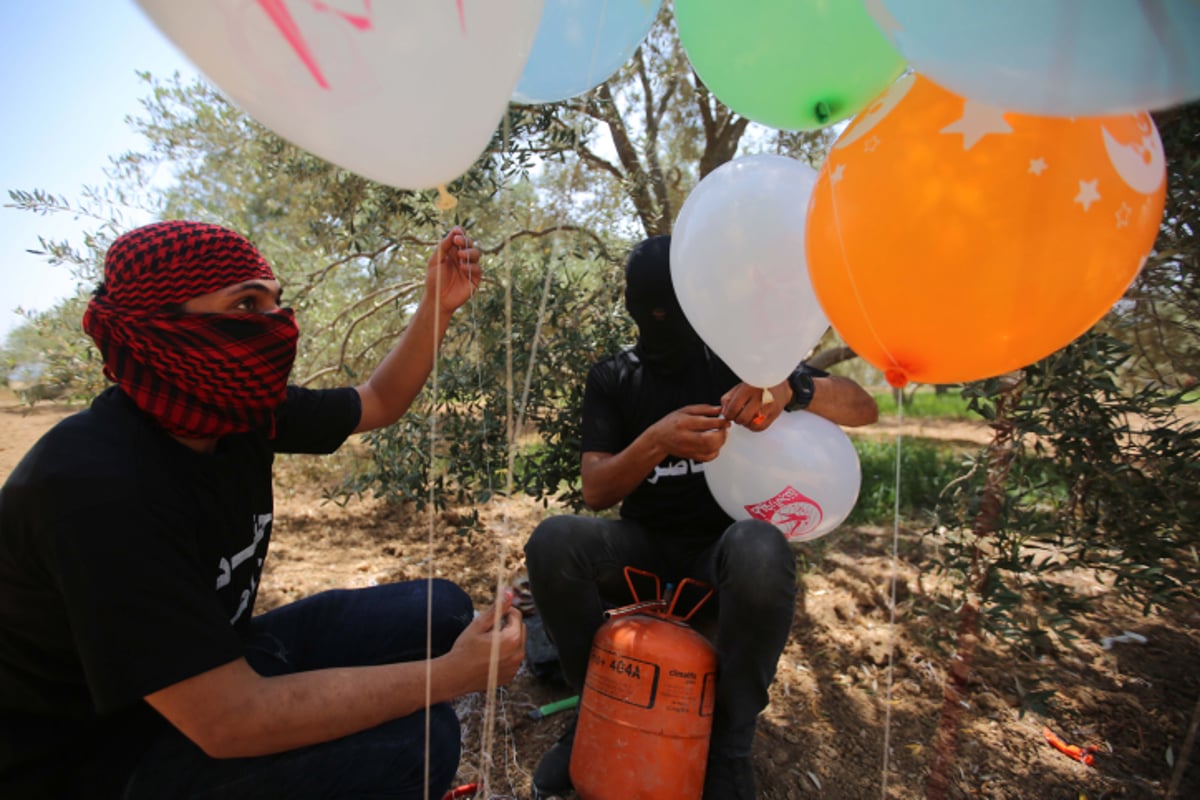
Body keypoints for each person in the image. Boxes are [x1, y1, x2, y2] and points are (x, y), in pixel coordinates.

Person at [0, 220, 526, 799]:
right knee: (418, 741)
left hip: (211, 671)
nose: (275, 325)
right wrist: (451, 677)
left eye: (276, 302)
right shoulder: (91, 487)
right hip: (96, 759)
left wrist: (437, 304)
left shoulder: (236, 410)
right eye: (247, 303)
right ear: (158, 328)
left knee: (440, 610)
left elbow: (378, 401)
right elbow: (230, 721)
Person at [523, 235, 878, 799]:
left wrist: (794, 389)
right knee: (553, 541)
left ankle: (730, 745)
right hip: (641, 549)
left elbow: (866, 407)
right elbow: (595, 489)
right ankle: (593, 704)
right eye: (654, 311)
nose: (666, 323)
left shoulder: (740, 363)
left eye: (676, 308)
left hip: (720, 557)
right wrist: (658, 441)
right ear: (635, 309)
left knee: (762, 547)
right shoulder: (614, 377)